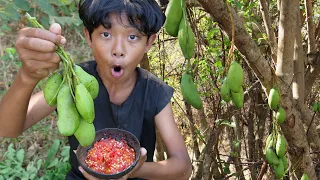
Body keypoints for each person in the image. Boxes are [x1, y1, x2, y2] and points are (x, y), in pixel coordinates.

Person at [0, 0, 192, 179]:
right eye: (106, 34)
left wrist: (135, 171)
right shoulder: (71, 83)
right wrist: (28, 76)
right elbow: (6, 128)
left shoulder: (154, 91)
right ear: (88, 36)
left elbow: (183, 167)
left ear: (148, 43)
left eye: (133, 36)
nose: (118, 49)